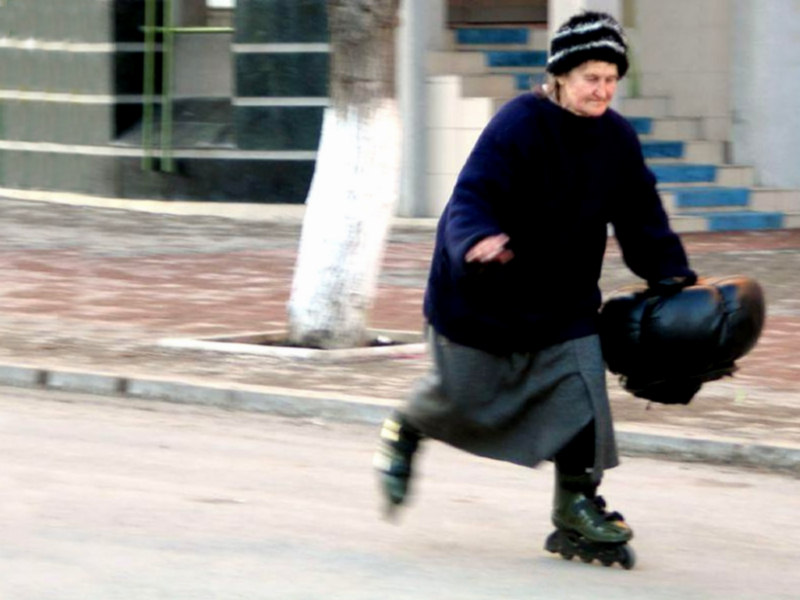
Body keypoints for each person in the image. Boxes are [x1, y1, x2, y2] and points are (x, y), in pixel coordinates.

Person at [373, 11, 696, 568]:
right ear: (562, 76)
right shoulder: (519, 124)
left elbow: (642, 214)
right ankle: (406, 427)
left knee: (581, 391)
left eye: (611, 78)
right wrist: (475, 241)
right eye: (591, 77)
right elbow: (472, 194)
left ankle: (576, 504)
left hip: (563, 297)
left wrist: (672, 276)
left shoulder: (615, 138)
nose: (602, 89)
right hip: (484, 289)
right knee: (463, 397)